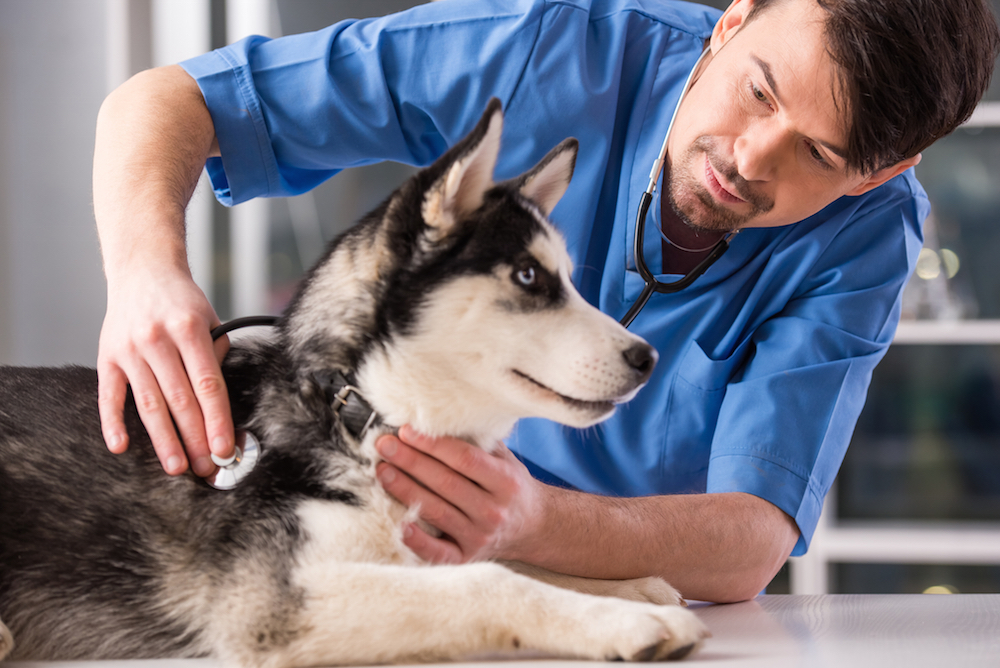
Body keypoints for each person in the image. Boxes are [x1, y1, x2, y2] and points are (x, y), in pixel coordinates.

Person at [92, 0, 999, 603]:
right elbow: (167, 102)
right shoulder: (547, 48)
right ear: (733, 22)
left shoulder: (871, 238)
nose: (750, 160)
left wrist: (528, 521)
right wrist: (145, 272)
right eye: (757, 92)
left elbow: (751, 540)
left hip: (596, 597)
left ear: (883, 173)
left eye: (820, 156)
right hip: (363, 544)